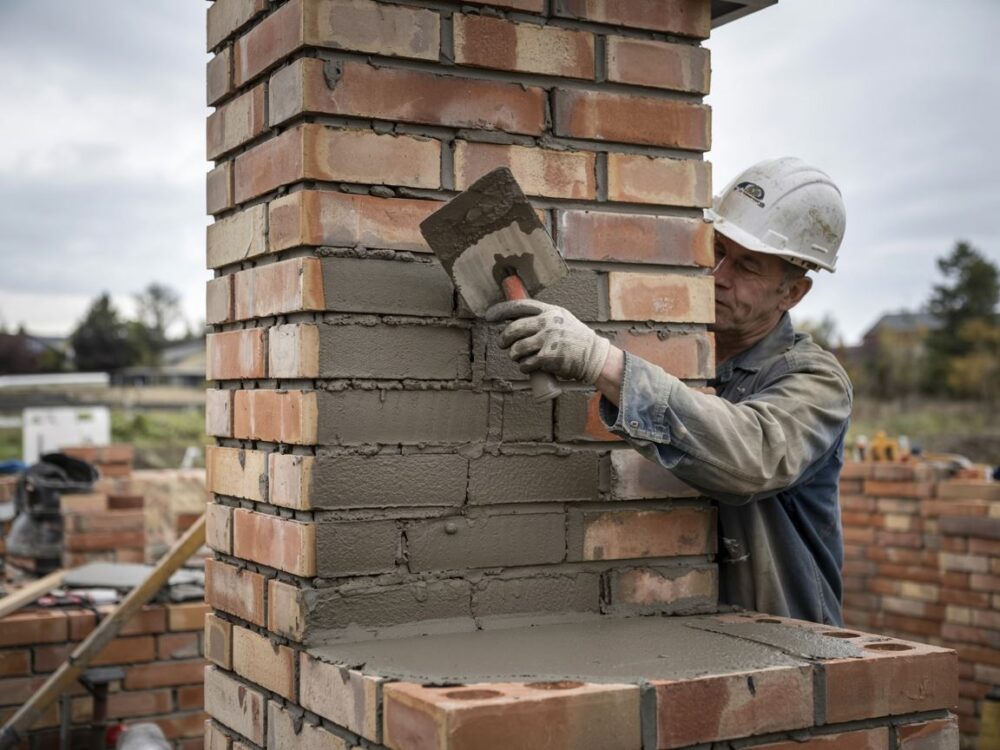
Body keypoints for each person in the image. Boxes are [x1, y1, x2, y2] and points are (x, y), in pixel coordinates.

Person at [487, 157, 852, 625]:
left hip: (789, 639)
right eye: (717, 250)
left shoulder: (817, 381)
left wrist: (599, 361)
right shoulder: (684, 347)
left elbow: (753, 455)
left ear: (792, 293)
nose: (719, 274)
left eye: (748, 266)